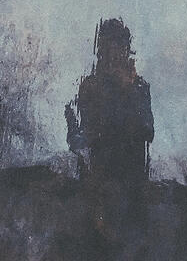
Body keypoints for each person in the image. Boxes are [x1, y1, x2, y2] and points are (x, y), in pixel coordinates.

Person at [65, 18, 154, 183]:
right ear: (101, 52)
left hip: (132, 180)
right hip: (98, 180)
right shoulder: (90, 86)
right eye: (107, 51)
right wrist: (71, 122)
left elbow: (147, 132)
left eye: (118, 50)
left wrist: (129, 91)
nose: (112, 57)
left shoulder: (139, 86)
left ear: (126, 52)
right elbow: (81, 140)